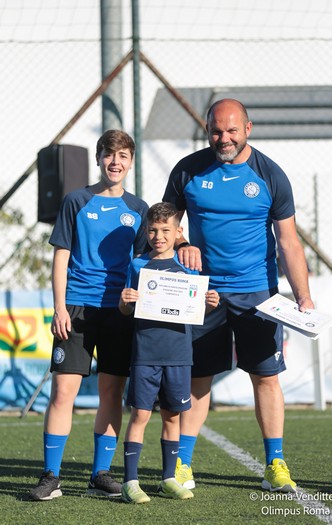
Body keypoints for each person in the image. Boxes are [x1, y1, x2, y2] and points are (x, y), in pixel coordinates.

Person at [163, 98, 314, 493]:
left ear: (249, 128)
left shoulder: (270, 175)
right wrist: (181, 243)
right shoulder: (188, 170)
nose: (223, 138)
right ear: (207, 129)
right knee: (198, 378)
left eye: (232, 130)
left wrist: (305, 298)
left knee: (265, 378)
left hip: (257, 295)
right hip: (203, 293)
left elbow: (289, 243)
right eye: (216, 130)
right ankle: (182, 464)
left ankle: (275, 464)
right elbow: (165, 223)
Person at [29, 129, 149, 501]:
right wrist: (59, 307)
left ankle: (100, 474)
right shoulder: (76, 201)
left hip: (120, 310)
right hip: (77, 308)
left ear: (131, 162)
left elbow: (144, 261)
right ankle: (51, 476)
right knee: (63, 391)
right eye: (109, 155)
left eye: (123, 156)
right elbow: (61, 255)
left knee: (111, 391)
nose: (116, 162)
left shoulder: (139, 209)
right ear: (99, 159)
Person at [118, 202, 220, 504]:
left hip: (178, 355)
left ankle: (168, 478)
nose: (158, 235)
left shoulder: (188, 270)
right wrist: (125, 301)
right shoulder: (137, 265)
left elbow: (193, 308)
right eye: (152, 229)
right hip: (145, 353)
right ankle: (130, 482)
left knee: (172, 417)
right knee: (140, 414)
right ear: (145, 231)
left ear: (178, 233)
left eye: (165, 230)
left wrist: (208, 302)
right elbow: (125, 309)